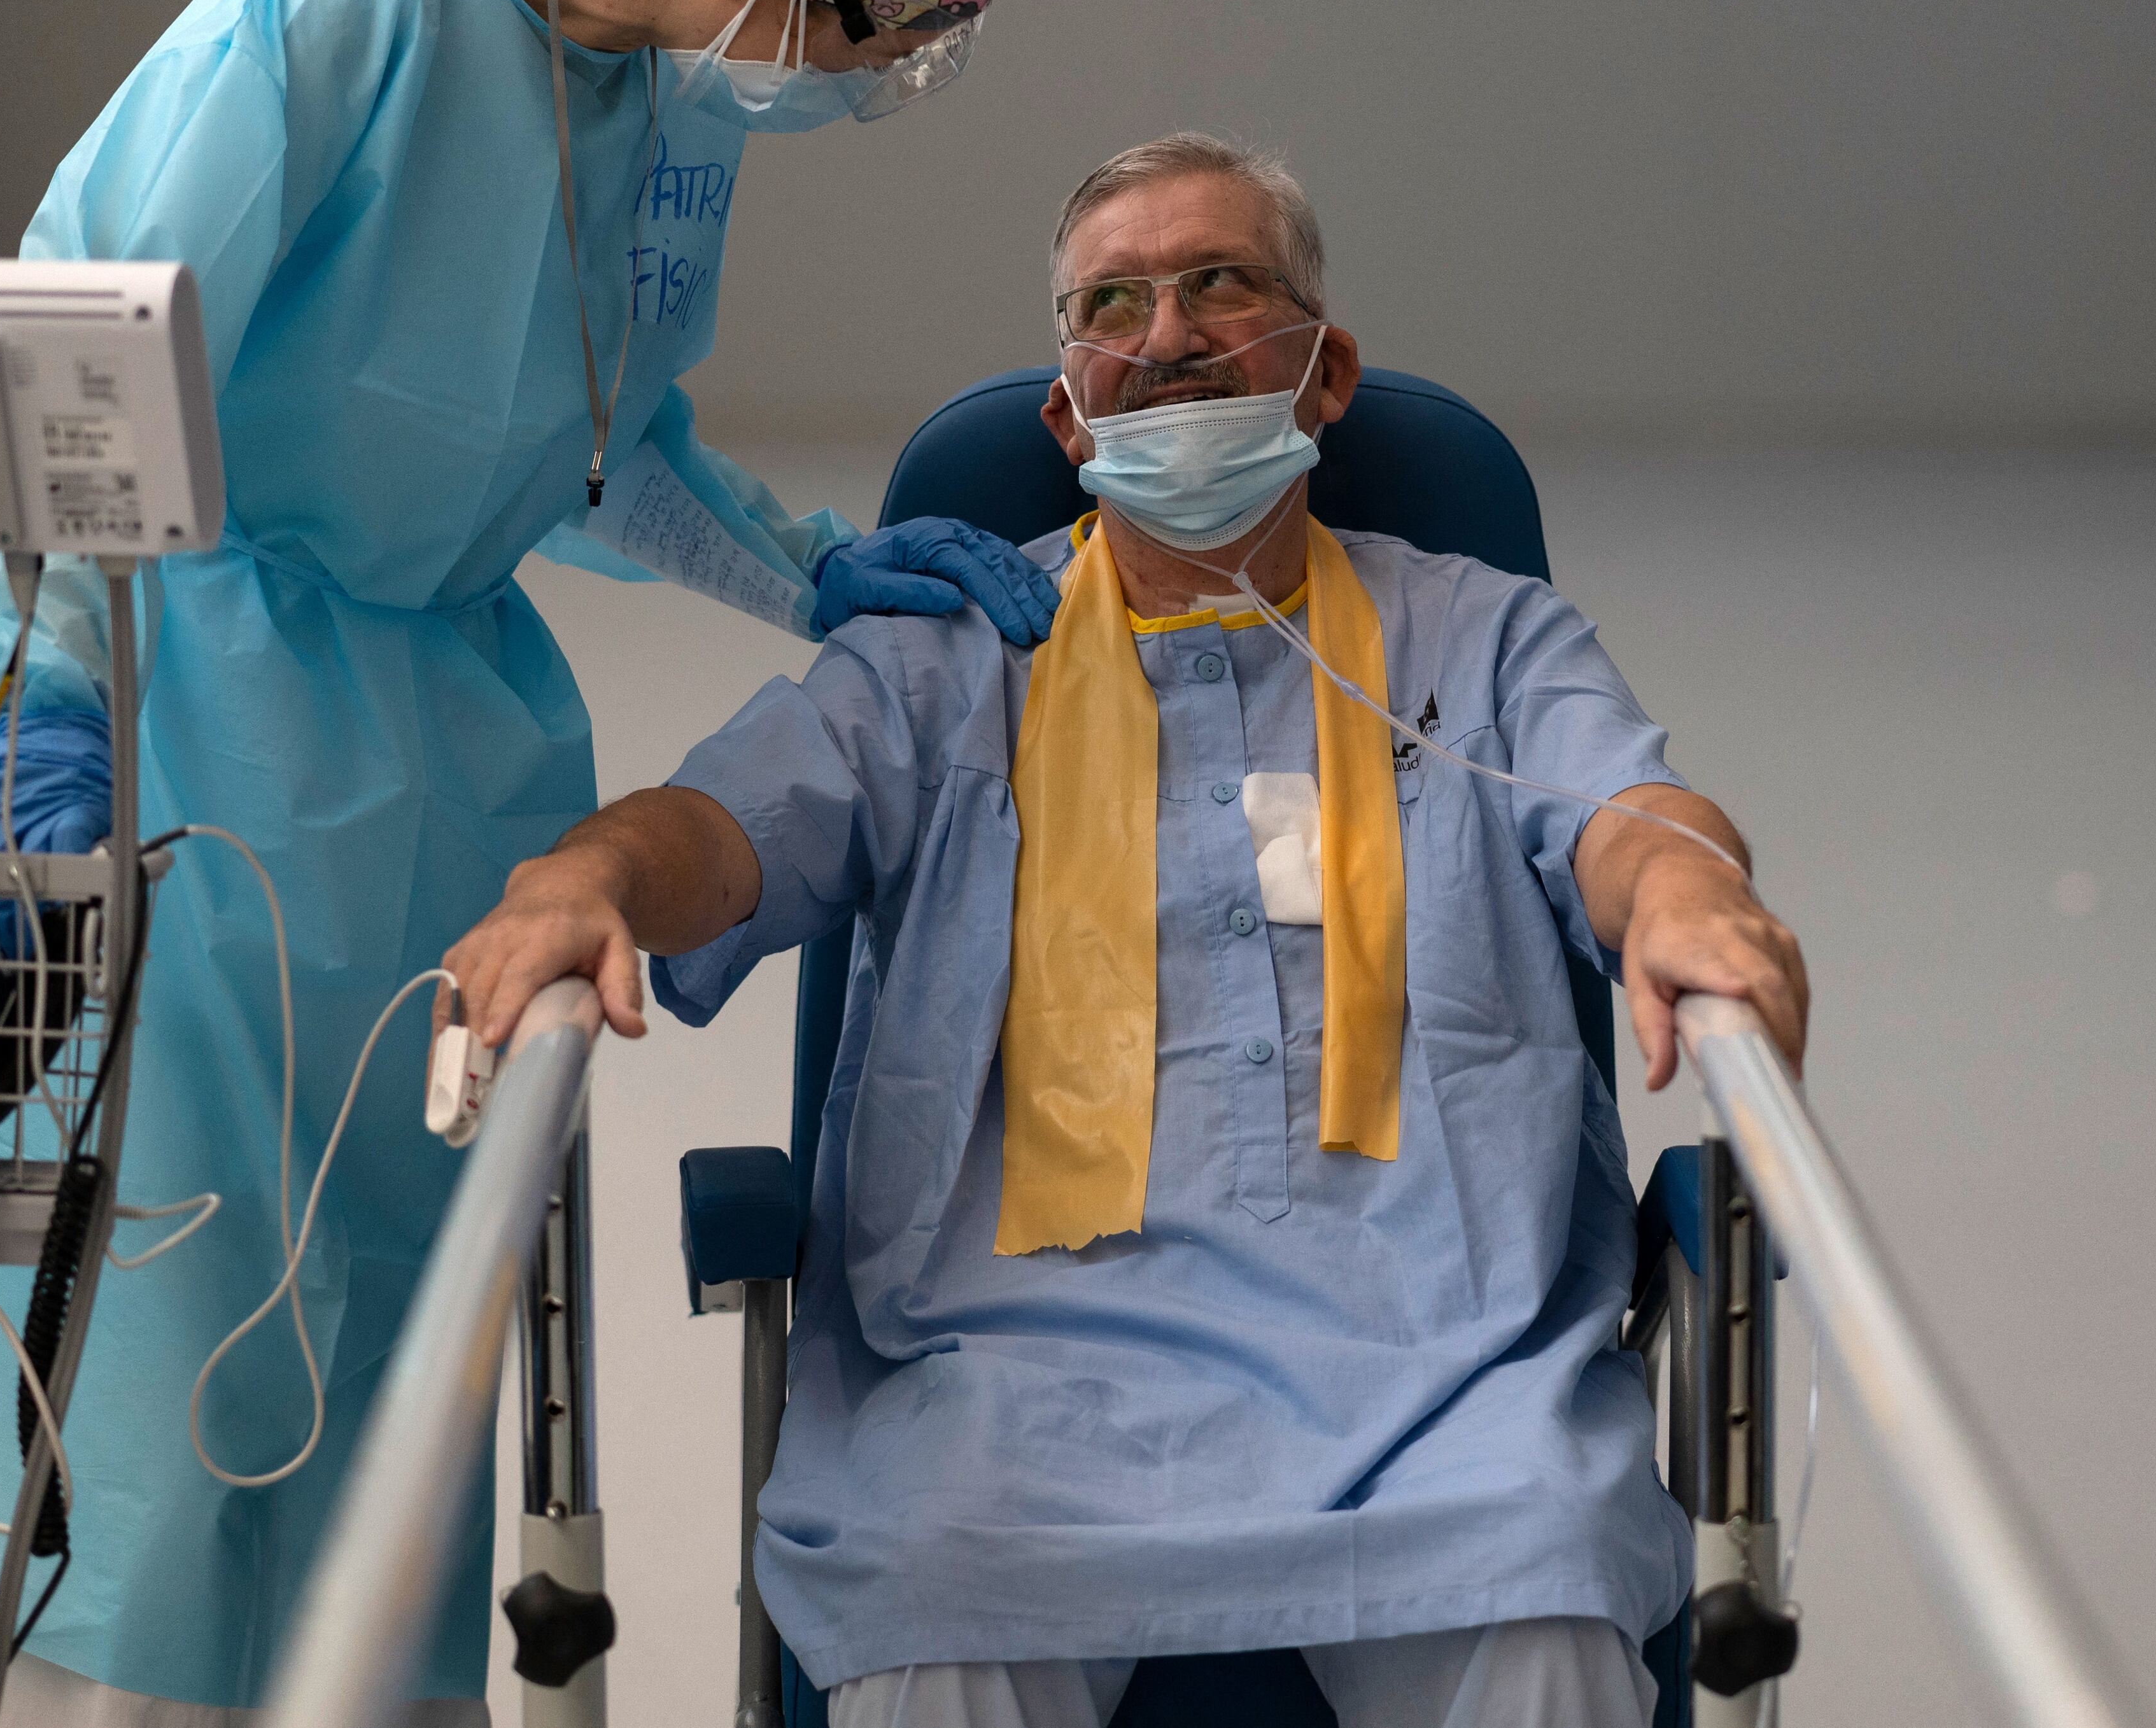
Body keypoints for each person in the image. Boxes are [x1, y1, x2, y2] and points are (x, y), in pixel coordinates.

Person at [0, 0, 1060, 1724]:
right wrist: (38, 699)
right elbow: (59, 366)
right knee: (160, 1315)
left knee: (393, 1338)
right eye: (879, 42)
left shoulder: (669, 91)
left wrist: (811, 574)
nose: (858, 86)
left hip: (439, 770)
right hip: (182, 727)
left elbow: (604, 434)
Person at [444, 133, 1812, 1728]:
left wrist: (1692, 894)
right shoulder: (946, 661)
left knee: (1549, 1622)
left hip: (1449, 1373)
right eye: (1112, 306)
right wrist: (588, 876)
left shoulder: (1478, 637)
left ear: (1325, 372)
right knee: (933, 1630)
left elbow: (1622, 810)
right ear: (1066, 408)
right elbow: (727, 828)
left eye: (1219, 284)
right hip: (1005, 1387)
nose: (1163, 337)